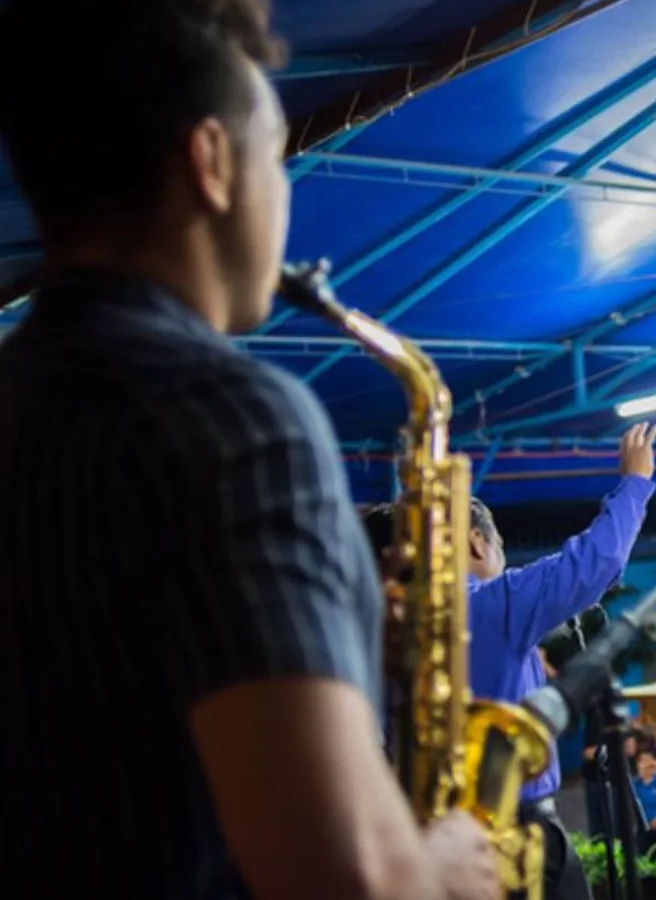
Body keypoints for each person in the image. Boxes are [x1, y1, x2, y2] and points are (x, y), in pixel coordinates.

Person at [0, 3, 498, 898]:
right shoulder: (234, 418)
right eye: (274, 155)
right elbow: (344, 880)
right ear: (212, 162)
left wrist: (330, 639)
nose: (283, 191)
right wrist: (446, 864)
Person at [363, 422, 656, 900]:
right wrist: (636, 481)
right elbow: (596, 561)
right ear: (477, 542)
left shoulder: (375, 628)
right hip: (517, 840)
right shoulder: (490, 604)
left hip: (423, 842)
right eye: (499, 544)